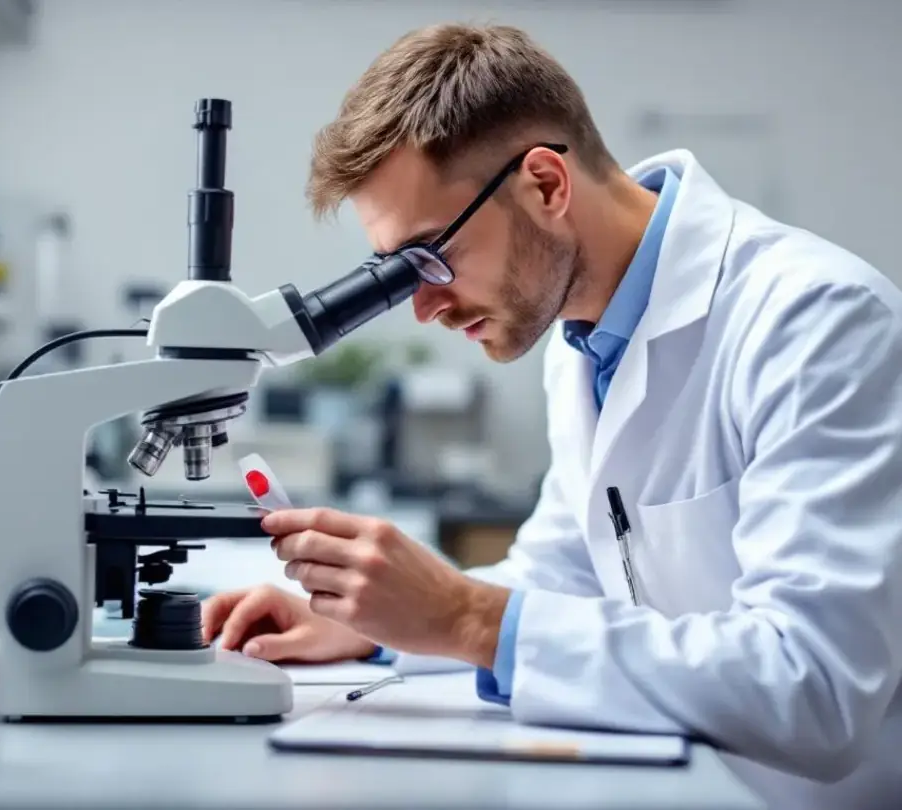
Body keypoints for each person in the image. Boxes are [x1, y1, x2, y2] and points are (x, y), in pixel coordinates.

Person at [201, 22, 902, 810]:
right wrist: (376, 627)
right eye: (394, 273)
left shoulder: (818, 321)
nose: (425, 307)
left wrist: (464, 616)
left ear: (545, 184)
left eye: (428, 257)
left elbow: (816, 685)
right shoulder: (579, 343)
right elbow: (559, 578)